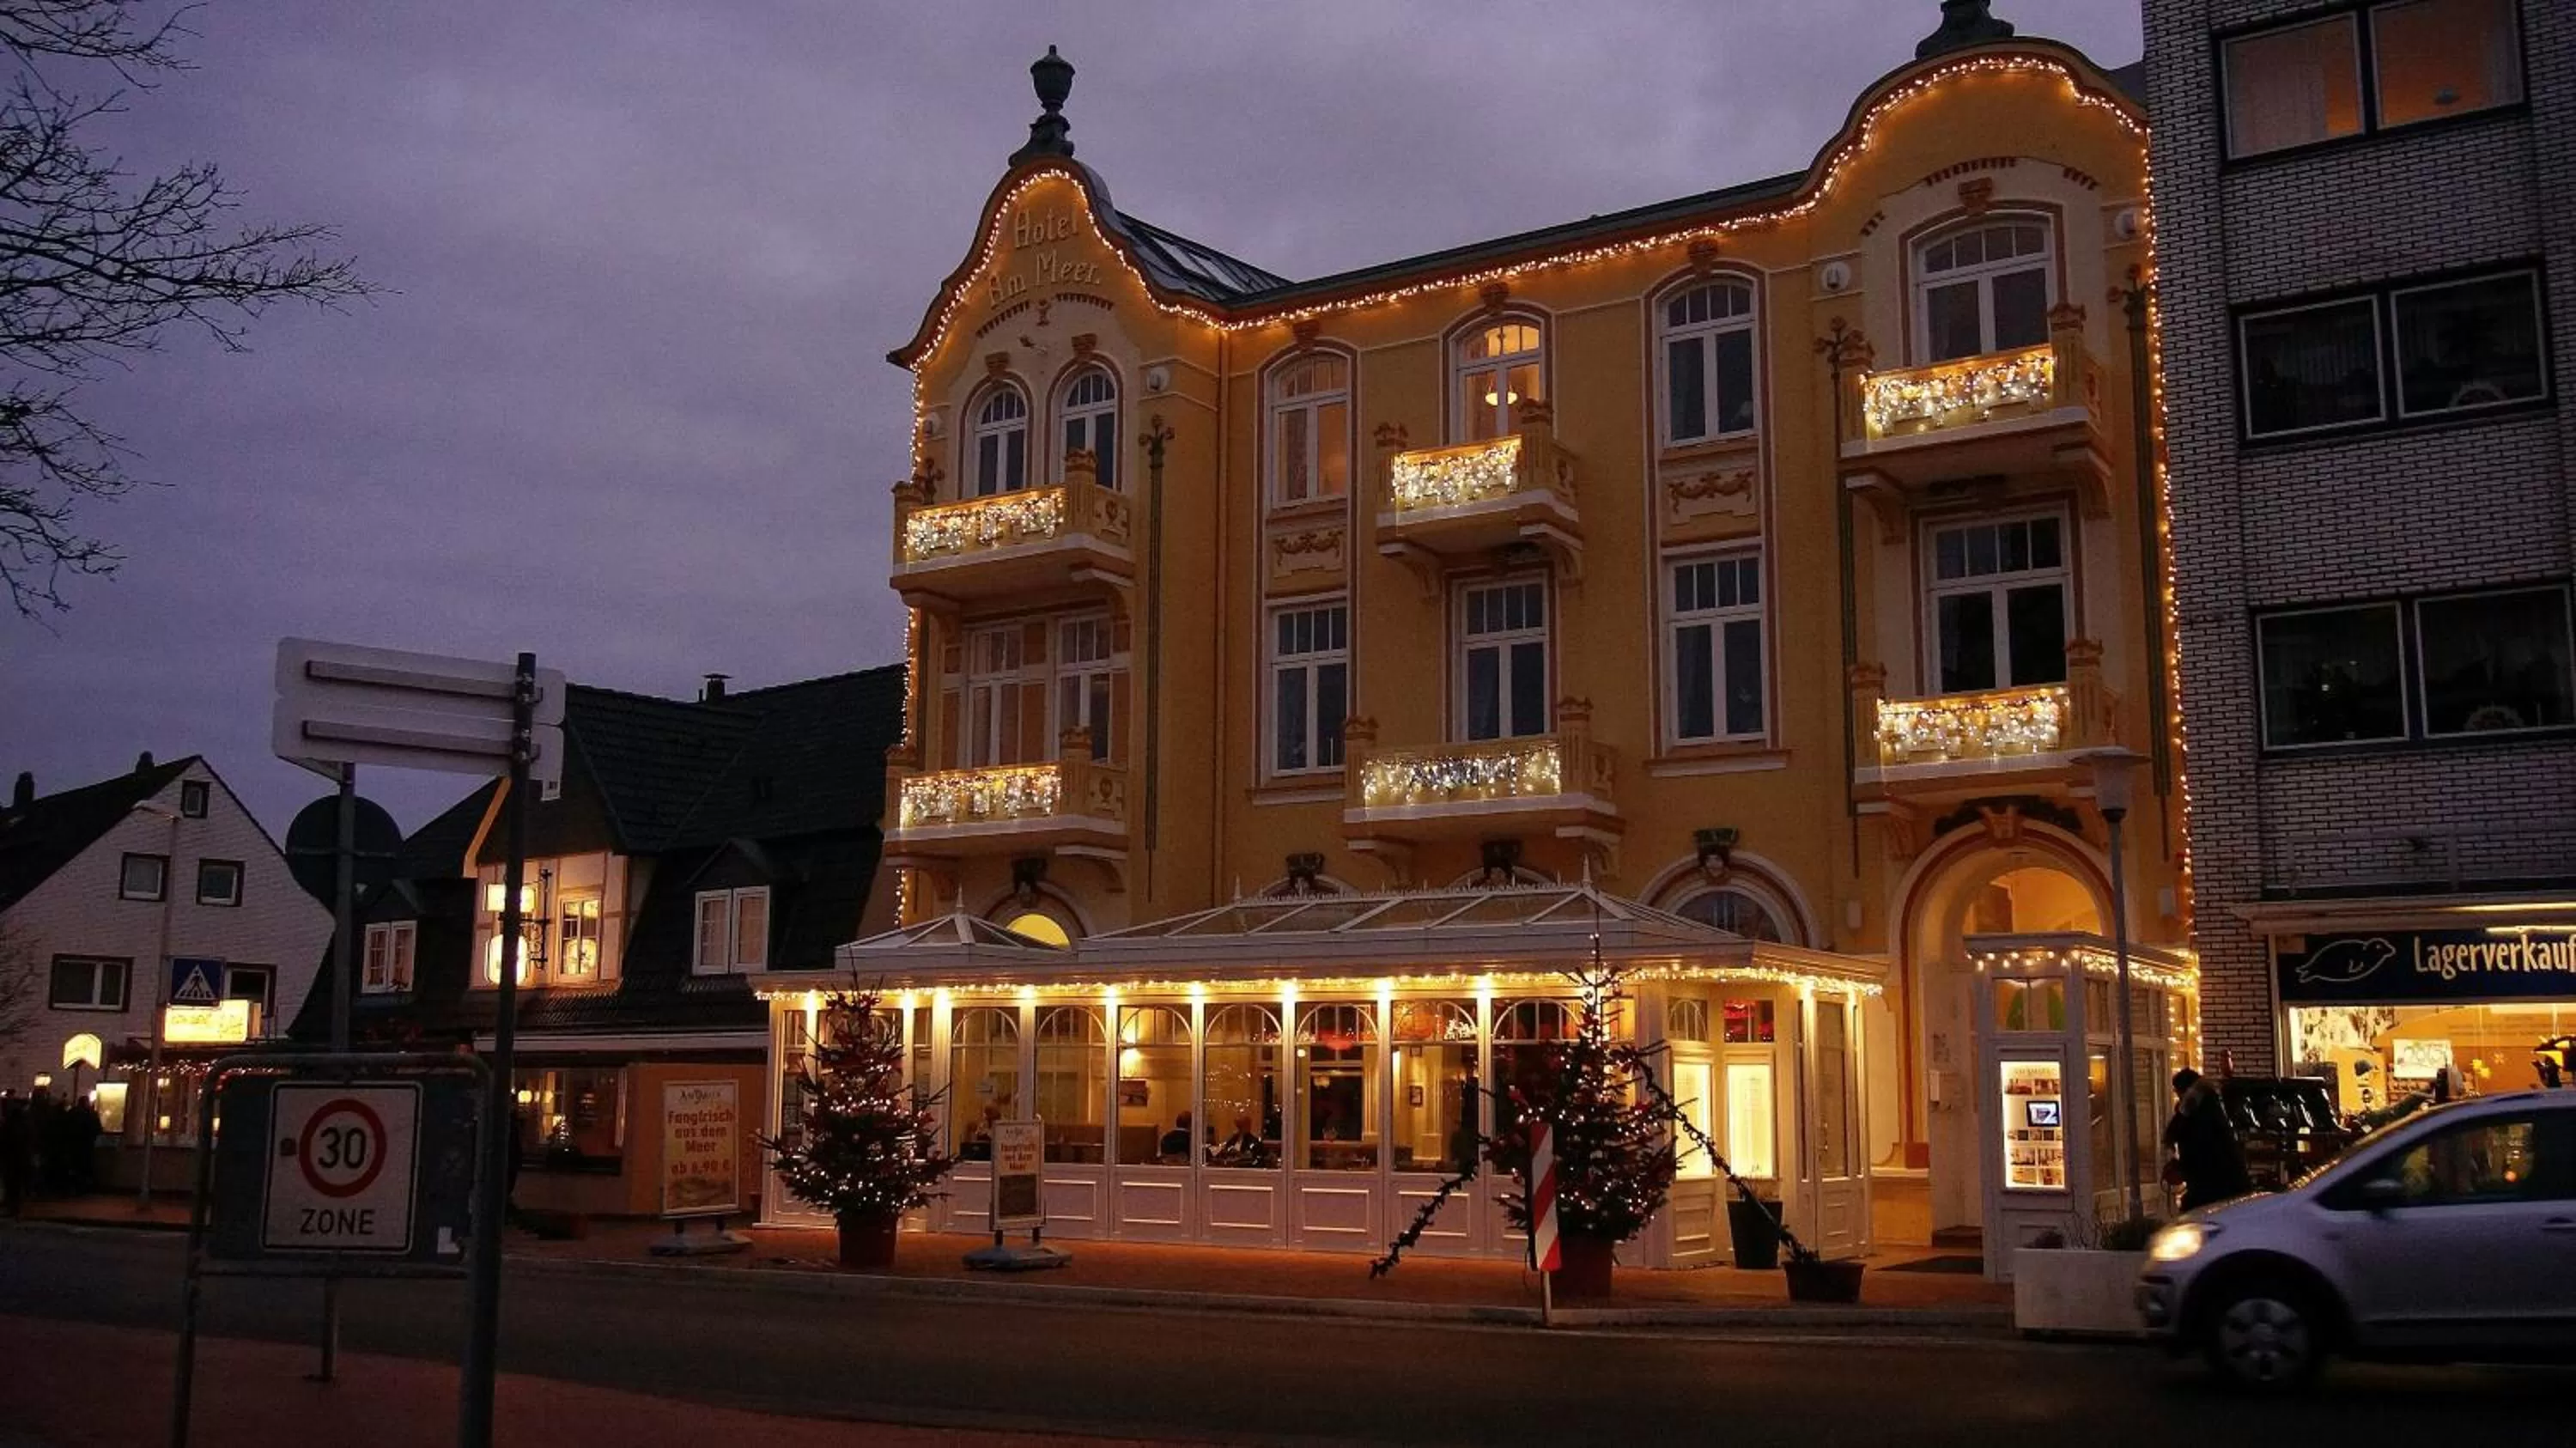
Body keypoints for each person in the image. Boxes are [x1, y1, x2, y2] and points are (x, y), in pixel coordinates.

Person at [2163, 1068, 2251, 1210]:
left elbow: (2202, 1153)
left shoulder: (2199, 1115)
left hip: (2215, 1193)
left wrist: (2183, 1168)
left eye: (2177, 1091)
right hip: (2223, 1190)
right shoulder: (2208, 1109)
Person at [0, 1095, 31, 1217]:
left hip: (11, 1159)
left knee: (11, 1184)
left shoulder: (9, 1125)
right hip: (20, 1158)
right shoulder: (25, 1125)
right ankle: (15, 1206)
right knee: (17, 1184)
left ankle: (11, 1206)